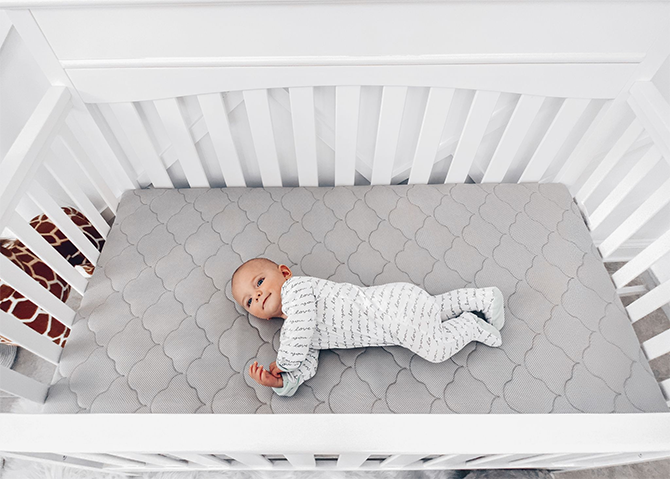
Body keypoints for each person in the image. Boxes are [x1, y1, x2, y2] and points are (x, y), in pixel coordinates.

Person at [231, 258, 504, 397]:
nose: (258, 295)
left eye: (259, 282)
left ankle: (470, 326)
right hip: (398, 306)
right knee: (433, 309)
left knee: (435, 349)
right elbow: (307, 361)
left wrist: (283, 362)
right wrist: (282, 381)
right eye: (249, 301)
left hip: (390, 311)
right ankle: (482, 298)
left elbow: (297, 335)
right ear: (260, 317)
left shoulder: (297, 290)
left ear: (284, 273)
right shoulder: (298, 334)